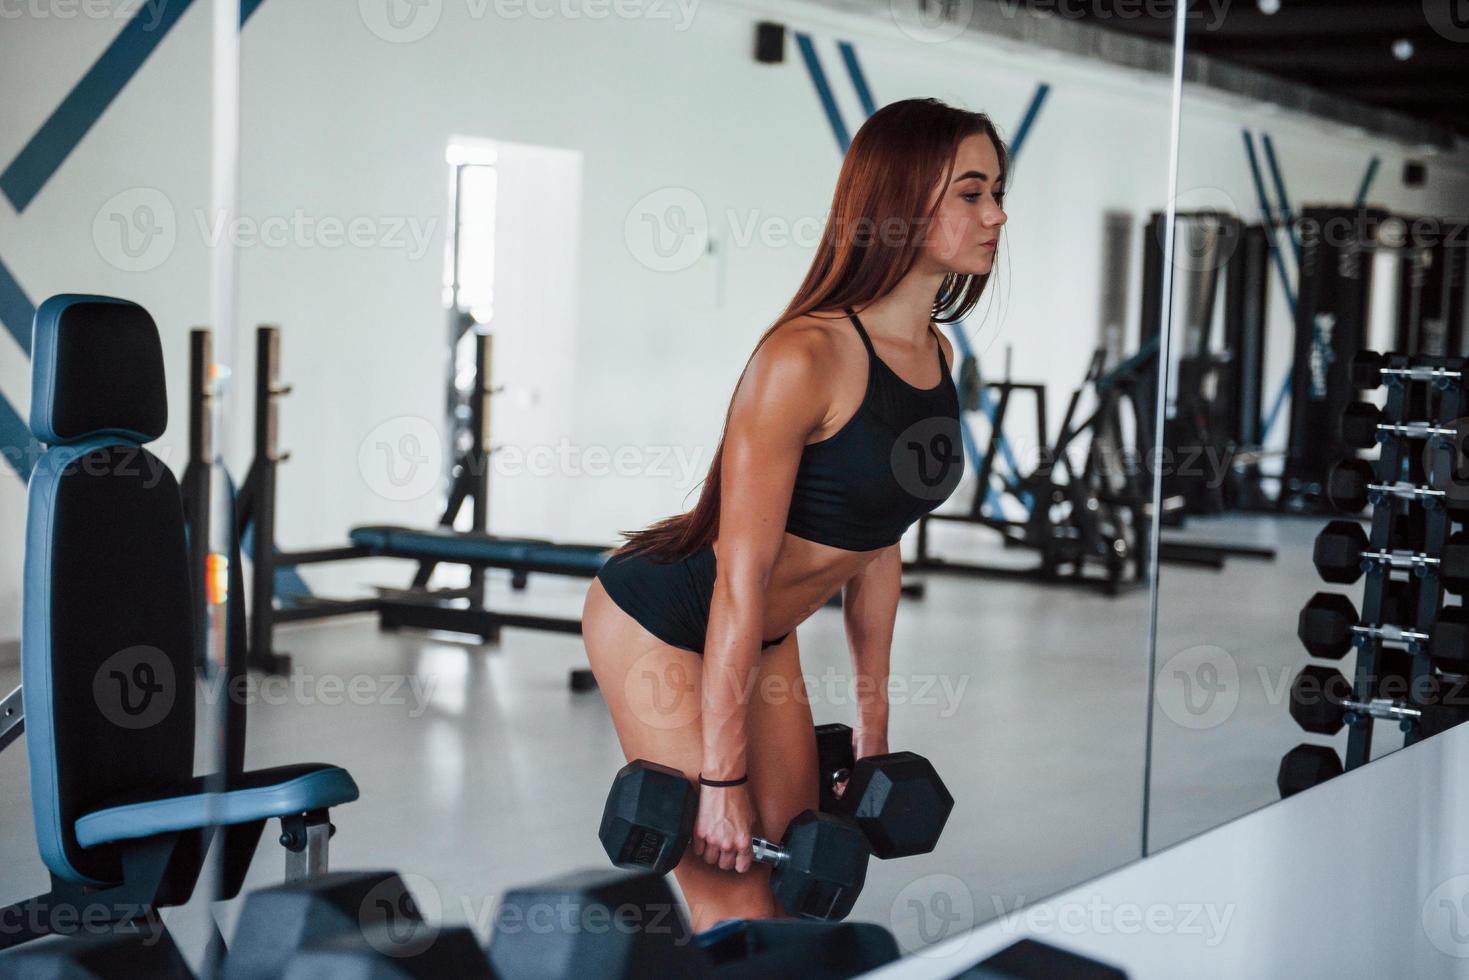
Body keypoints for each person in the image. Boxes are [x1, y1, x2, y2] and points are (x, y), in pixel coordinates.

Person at [582, 97, 1007, 929]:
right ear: (899, 201)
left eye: (997, 191)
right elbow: (738, 582)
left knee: (803, 891)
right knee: (740, 900)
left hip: (760, 637)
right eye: (970, 192)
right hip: (664, 620)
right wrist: (718, 781)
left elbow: (876, 546)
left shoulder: (934, 354)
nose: (994, 215)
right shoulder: (803, 355)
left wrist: (874, 734)